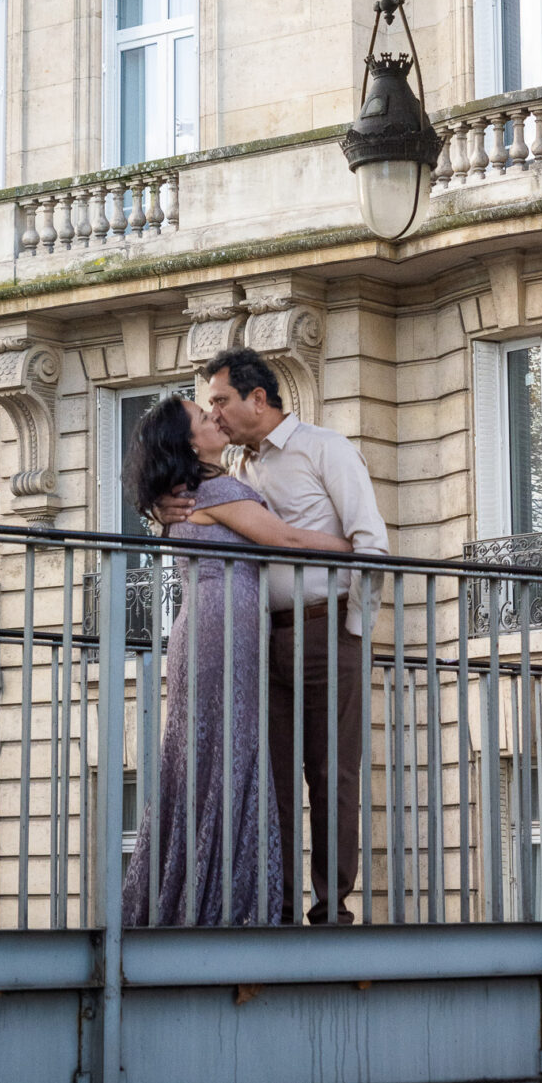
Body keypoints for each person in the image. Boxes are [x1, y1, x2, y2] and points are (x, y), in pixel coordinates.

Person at [158, 349, 389, 926]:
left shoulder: (325, 449)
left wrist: (352, 630)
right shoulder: (235, 469)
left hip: (326, 629)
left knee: (332, 774)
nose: (215, 412)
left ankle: (331, 911)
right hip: (261, 640)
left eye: (221, 400)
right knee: (274, 780)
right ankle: (280, 909)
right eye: (208, 406)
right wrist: (162, 503)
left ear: (257, 398)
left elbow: (371, 543)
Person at [119, 394, 355, 928]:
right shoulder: (216, 490)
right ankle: (219, 907)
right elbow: (286, 539)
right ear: (187, 443)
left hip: (211, 629)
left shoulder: (184, 494)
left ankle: (199, 899)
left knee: (211, 760)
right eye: (204, 417)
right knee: (225, 757)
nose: (215, 418)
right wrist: (360, 548)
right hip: (219, 631)